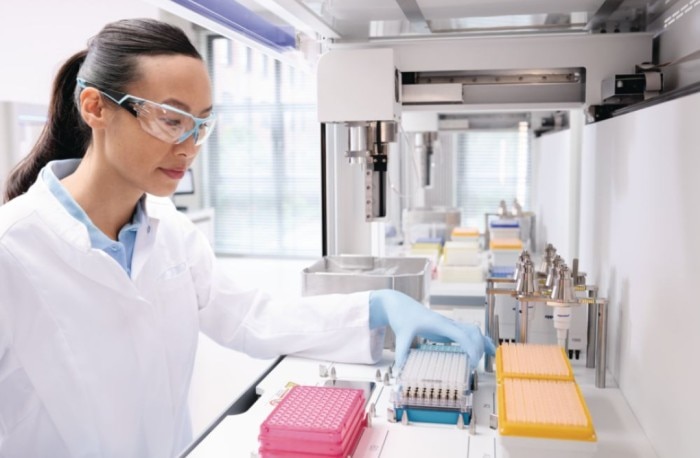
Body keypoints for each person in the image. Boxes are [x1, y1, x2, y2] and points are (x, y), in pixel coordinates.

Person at [0, 18, 494, 457]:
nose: (190, 146)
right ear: (95, 108)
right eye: (172, 120)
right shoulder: (13, 248)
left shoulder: (167, 231)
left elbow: (248, 318)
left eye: (201, 124)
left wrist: (378, 309)